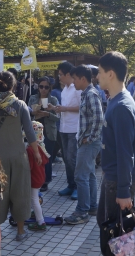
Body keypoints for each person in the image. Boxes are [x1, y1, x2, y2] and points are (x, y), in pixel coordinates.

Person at [0, 71, 41, 241]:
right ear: (14, 86)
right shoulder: (20, 105)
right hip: (18, 156)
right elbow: (30, 132)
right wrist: (36, 153)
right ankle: (21, 232)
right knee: (20, 193)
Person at [96, 52, 135, 235]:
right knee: (107, 224)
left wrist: (123, 191)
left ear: (110, 74)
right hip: (115, 176)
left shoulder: (122, 106)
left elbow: (125, 153)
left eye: (100, 71)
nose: (97, 76)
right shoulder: (117, 100)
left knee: (114, 234)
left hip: (118, 179)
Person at [65, 65, 104, 225]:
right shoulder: (87, 94)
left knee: (80, 176)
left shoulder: (91, 94)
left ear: (82, 78)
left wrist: (90, 137)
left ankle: (82, 211)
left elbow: (99, 118)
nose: (73, 82)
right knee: (89, 175)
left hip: (89, 143)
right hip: (88, 141)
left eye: (74, 79)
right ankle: (92, 207)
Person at [54, 62, 82, 200]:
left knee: (72, 159)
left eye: (60, 74)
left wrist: (65, 109)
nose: (59, 77)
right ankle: (71, 185)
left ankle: (77, 187)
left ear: (67, 74)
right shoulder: (64, 89)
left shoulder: (77, 88)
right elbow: (66, 107)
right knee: (66, 159)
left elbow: (82, 107)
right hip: (63, 127)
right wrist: (57, 108)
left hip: (73, 128)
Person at [28, 77, 60, 192]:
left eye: (46, 87)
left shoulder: (53, 100)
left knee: (47, 157)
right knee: (35, 156)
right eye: (41, 86)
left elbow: (57, 118)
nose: (43, 89)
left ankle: (46, 181)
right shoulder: (33, 98)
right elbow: (27, 115)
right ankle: (36, 179)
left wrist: (47, 114)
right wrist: (34, 113)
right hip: (35, 133)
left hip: (49, 132)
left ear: (50, 88)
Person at [26, 121, 50, 231]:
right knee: (35, 197)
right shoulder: (41, 147)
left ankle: (40, 222)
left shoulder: (30, 149)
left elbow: (29, 167)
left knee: (34, 199)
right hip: (40, 177)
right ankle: (35, 213)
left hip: (34, 179)